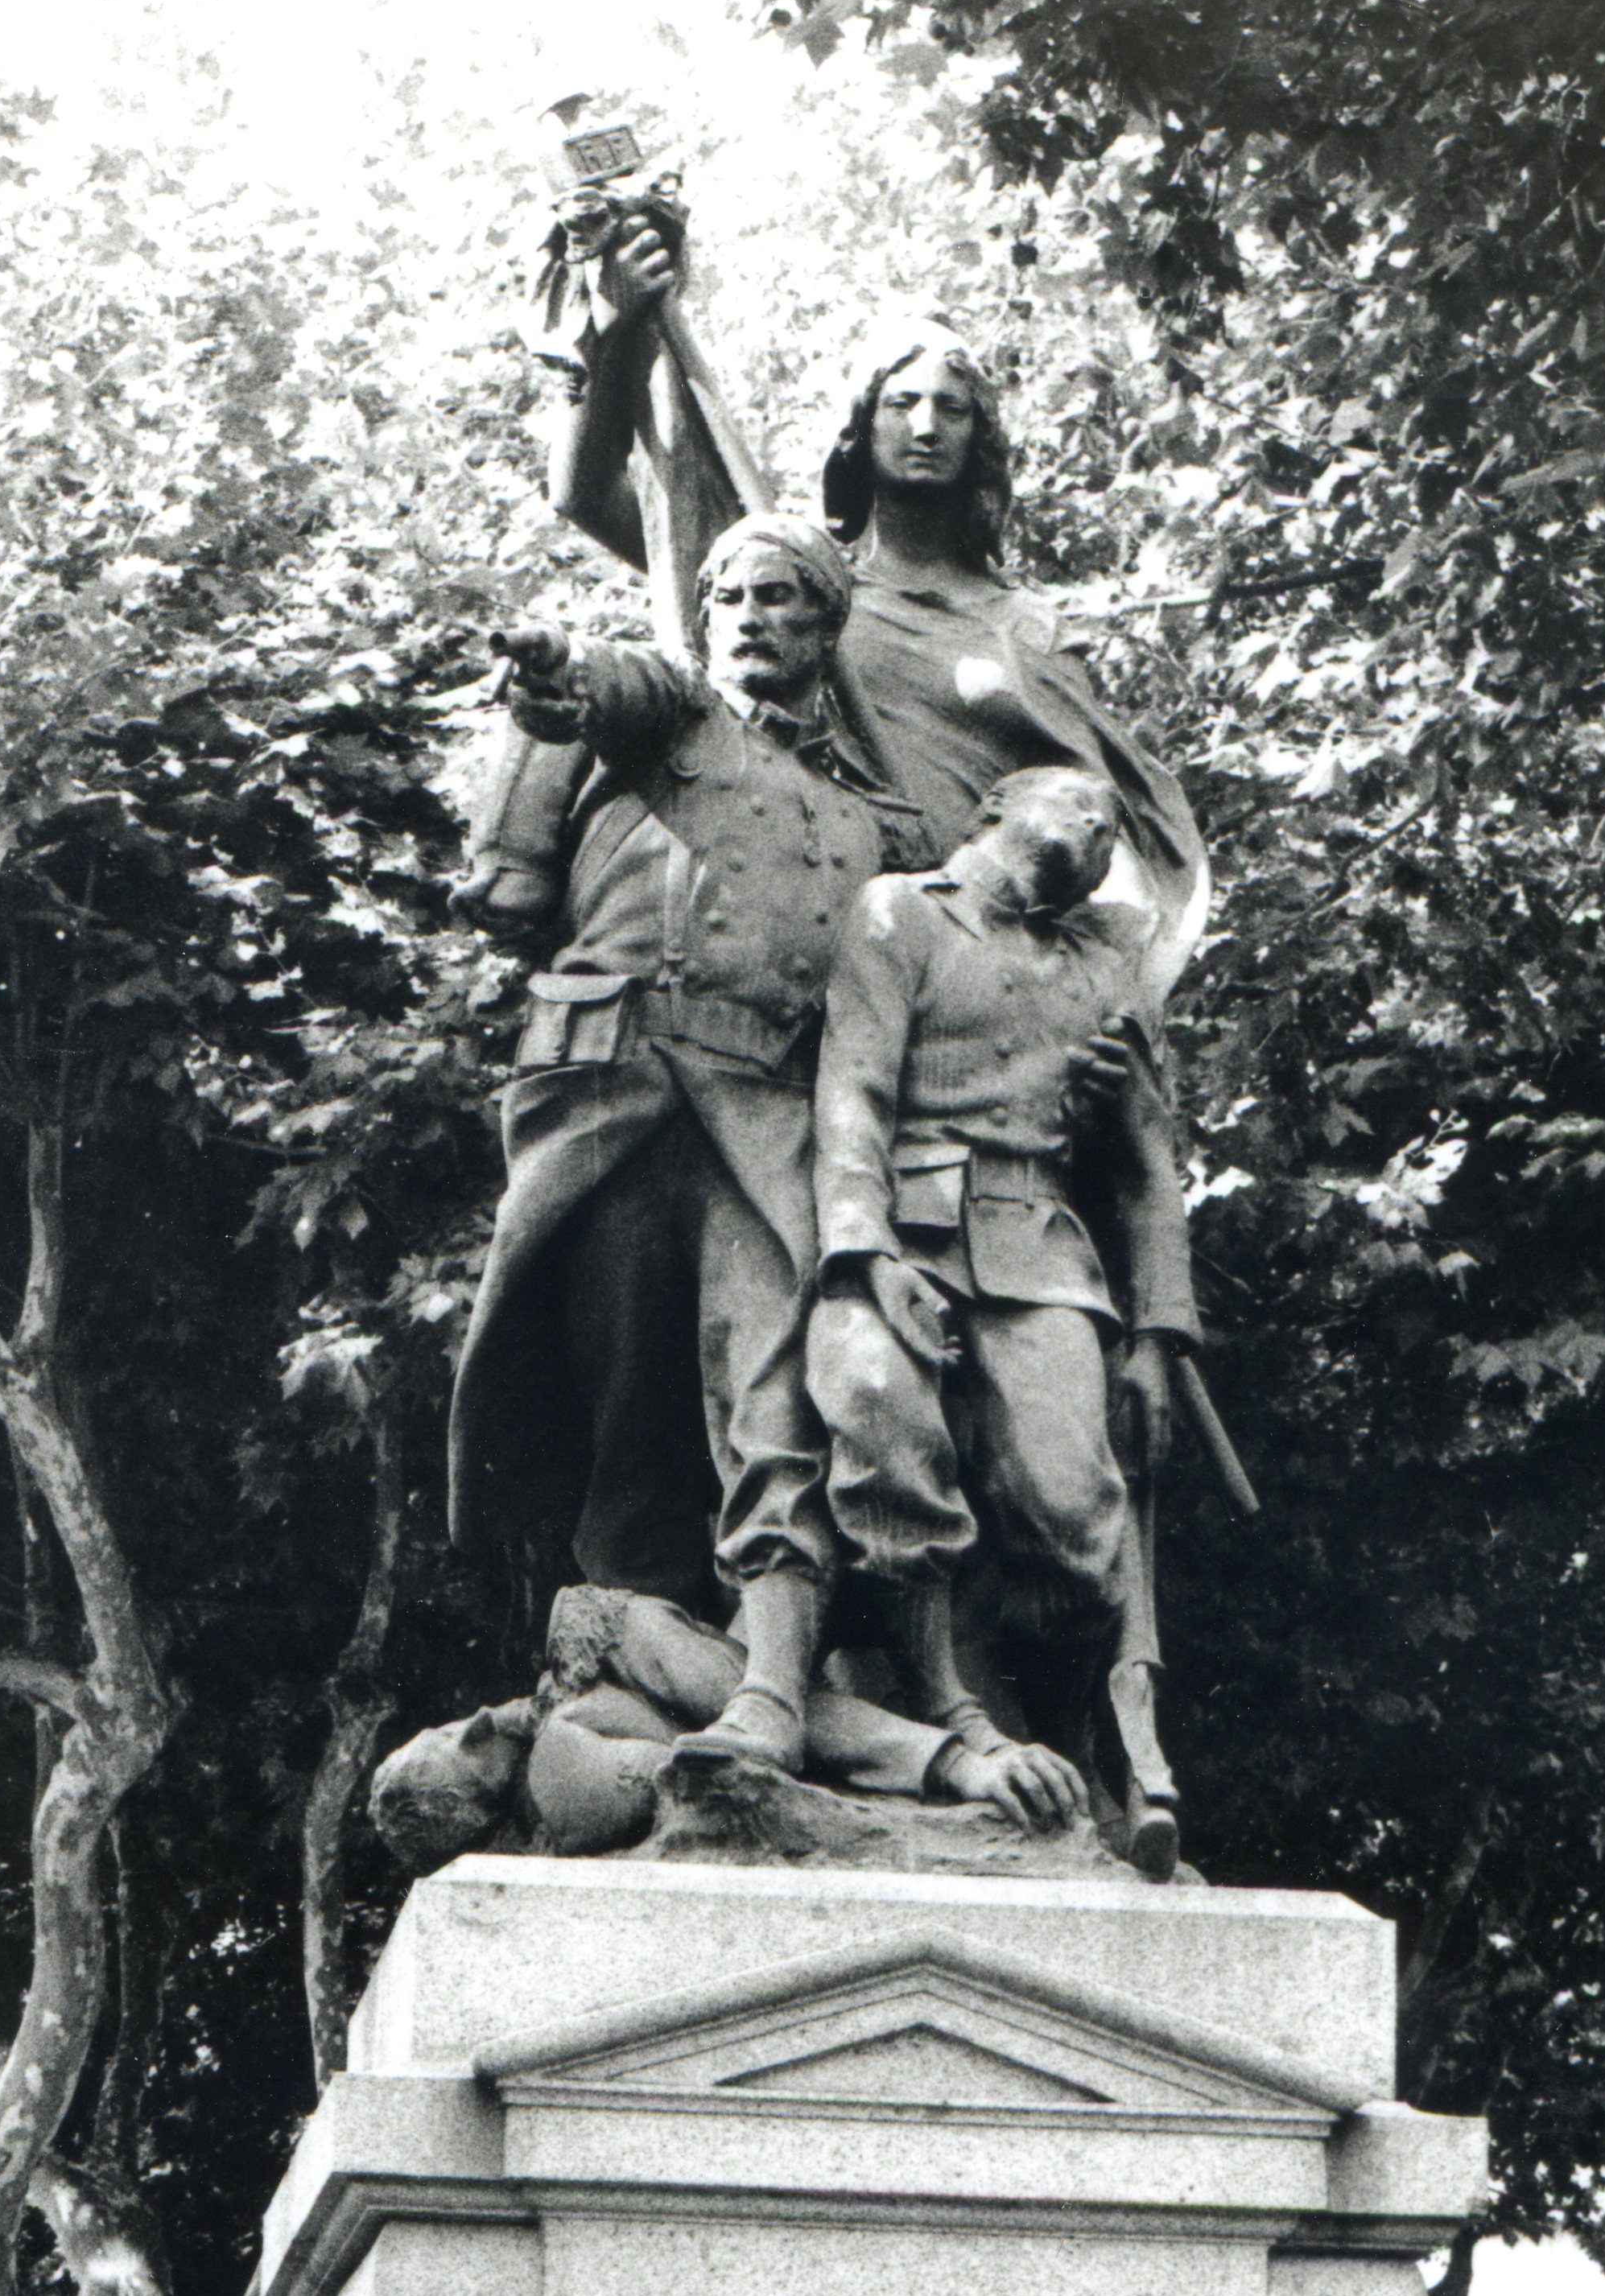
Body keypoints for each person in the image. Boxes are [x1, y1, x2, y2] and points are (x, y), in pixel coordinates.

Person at [444, 513, 930, 1774]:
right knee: (622, 1407)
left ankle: (772, 1682)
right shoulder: (669, 721)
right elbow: (618, 684)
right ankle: (635, 1662)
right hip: (614, 1093)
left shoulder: (880, 823)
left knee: (776, 1383)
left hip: (767, 1121)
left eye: (786, 602)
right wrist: (563, 674)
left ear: (829, 630)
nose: (754, 621)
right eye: (733, 600)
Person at [551, 243, 1207, 1001]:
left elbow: (1098, 812)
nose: (926, 426)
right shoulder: (786, 580)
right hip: (814, 931)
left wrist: (1106, 986)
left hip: (977, 963)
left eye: (951, 407)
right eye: (902, 403)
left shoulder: (1026, 623)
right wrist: (617, 322)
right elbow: (587, 499)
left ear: (979, 436)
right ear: (862, 426)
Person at [807, 764, 1199, 1873]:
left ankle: (1073, 1739)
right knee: (879, 1409)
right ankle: (947, 1710)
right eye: (1078, 804)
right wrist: (864, 1256)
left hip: (1040, 1257)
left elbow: (1141, 1172)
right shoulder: (897, 913)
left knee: (1077, 1515)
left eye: (1113, 827)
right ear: (988, 808)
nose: (1097, 830)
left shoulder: (1106, 968)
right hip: (901, 1240)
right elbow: (853, 1098)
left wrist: (1159, 1340)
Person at [372, 1588, 1077, 1867]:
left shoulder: (567, 1735)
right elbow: (762, 1710)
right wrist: (958, 1762)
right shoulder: (569, 1730)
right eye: (447, 1743)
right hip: (846, 1670)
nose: (466, 1722)